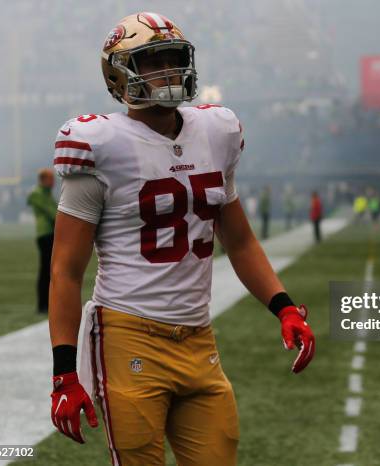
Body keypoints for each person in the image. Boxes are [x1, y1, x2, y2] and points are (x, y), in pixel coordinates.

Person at [47, 12, 315, 466]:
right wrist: (63, 376)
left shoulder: (216, 131)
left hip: (198, 338)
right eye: (154, 62)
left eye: (173, 59)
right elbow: (65, 271)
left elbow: (241, 242)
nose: (169, 71)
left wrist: (283, 305)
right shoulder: (100, 145)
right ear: (120, 75)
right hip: (128, 335)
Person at [27, 168, 57, 313]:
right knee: (45, 269)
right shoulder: (37, 194)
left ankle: (48, 303)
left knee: (50, 269)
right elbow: (53, 213)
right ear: (43, 180)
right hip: (44, 234)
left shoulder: (46, 194)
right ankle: (42, 305)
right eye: (51, 179)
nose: (54, 182)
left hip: (51, 233)